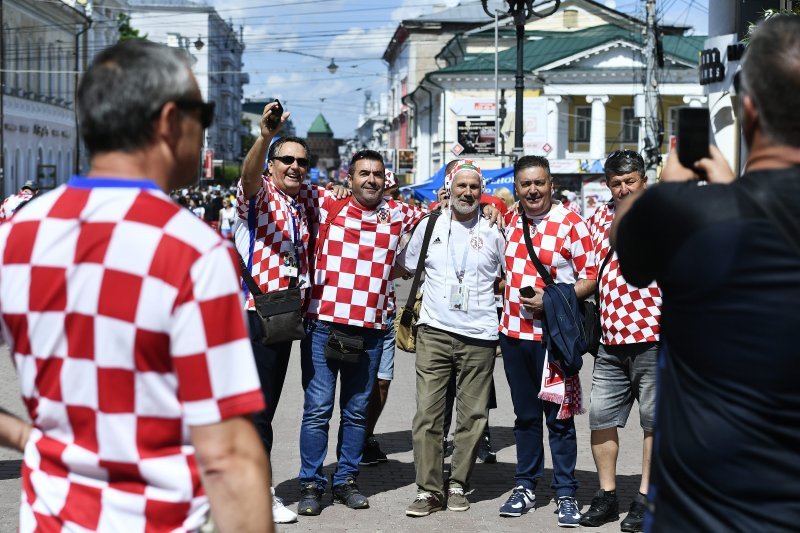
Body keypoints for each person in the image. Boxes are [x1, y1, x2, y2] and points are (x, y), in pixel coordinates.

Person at [0, 39, 272, 532]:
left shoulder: (17, 234)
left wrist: (26, 436)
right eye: (203, 112)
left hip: (51, 519)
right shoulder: (191, 249)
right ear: (170, 121)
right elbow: (229, 455)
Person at [611, 16, 800, 532]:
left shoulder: (689, 217)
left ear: (750, 109)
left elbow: (628, 252)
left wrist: (669, 188)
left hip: (703, 515)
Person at [296, 150, 428, 516]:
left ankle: (346, 481)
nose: (371, 180)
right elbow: (283, 186)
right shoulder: (326, 202)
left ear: (386, 180)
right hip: (324, 324)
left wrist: (494, 207)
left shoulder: (400, 212)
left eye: (377, 174)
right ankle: (310, 483)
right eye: (363, 174)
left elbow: (444, 211)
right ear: (349, 178)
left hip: (371, 329)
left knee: (356, 412)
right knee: (317, 410)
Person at [400, 160, 505, 517]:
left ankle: (458, 483)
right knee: (428, 415)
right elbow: (408, 266)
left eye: (474, 187)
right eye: (461, 186)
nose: (467, 193)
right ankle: (428, 490)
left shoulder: (494, 228)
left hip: (480, 335)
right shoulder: (429, 224)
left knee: (472, 415)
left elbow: (508, 274)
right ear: (449, 188)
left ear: (482, 190)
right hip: (434, 332)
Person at [498, 155, 596, 527]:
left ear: (551, 184)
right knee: (524, 417)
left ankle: (566, 492)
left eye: (539, 183)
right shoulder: (507, 220)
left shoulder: (572, 223)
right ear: (518, 188)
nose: (533, 190)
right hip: (513, 336)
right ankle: (525, 485)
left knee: (558, 418)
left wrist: (552, 298)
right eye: (526, 184)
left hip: (555, 340)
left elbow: (591, 278)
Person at [236, 102, 311, 525]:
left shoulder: (300, 204)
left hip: (282, 317)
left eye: (302, 161)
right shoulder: (261, 195)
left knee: (261, 408)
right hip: (254, 314)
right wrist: (265, 138)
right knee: (258, 411)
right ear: (272, 165)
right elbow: (248, 178)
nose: (295, 167)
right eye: (287, 160)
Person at [580, 150, 662, 532]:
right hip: (610, 342)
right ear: (608, 185)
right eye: (616, 183)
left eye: (630, 180)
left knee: (653, 424)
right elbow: (580, 262)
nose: (624, 188)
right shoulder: (598, 218)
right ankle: (607, 495)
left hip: (655, 338)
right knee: (601, 418)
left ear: (644, 179)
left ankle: (646, 498)